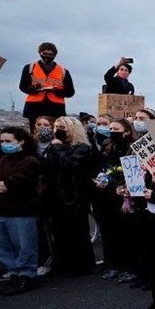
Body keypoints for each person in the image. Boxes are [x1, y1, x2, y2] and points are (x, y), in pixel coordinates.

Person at [0, 124, 41, 295]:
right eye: (2, 141)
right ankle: (14, 272)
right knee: (1, 245)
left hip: (21, 211)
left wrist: (0, 184)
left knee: (24, 244)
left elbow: (15, 182)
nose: (4, 144)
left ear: (21, 142)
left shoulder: (30, 160)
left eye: (8, 141)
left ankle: (27, 274)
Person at [43, 116, 97, 276]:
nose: (59, 130)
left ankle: (82, 265)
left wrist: (58, 148)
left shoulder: (82, 148)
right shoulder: (54, 147)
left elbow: (68, 165)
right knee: (60, 233)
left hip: (75, 196)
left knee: (78, 233)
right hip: (57, 195)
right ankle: (63, 264)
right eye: (57, 127)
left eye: (63, 127)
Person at [93, 118, 136, 280]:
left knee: (126, 233)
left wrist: (125, 191)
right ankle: (114, 265)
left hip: (124, 195)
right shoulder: (107, 147)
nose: (112, 131)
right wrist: (102, 177)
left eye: (116, 129)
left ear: (127, 131)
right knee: (110, 232)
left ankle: (129, 267)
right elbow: (103, 167)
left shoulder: (132, 149)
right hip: (108, 195)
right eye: (110, 128)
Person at [19, 42, 75, 129]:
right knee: (35, 132)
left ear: (55, 55)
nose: (47, 57)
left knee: (54, 132)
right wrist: (35, 89)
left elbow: (70, 92)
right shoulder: (30, 68)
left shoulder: (63, 71)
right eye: (44, 54)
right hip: (34, 106)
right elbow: (23, 86)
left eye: (50, 54)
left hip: (55, 108)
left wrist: (55, 91)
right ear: (40, 53)